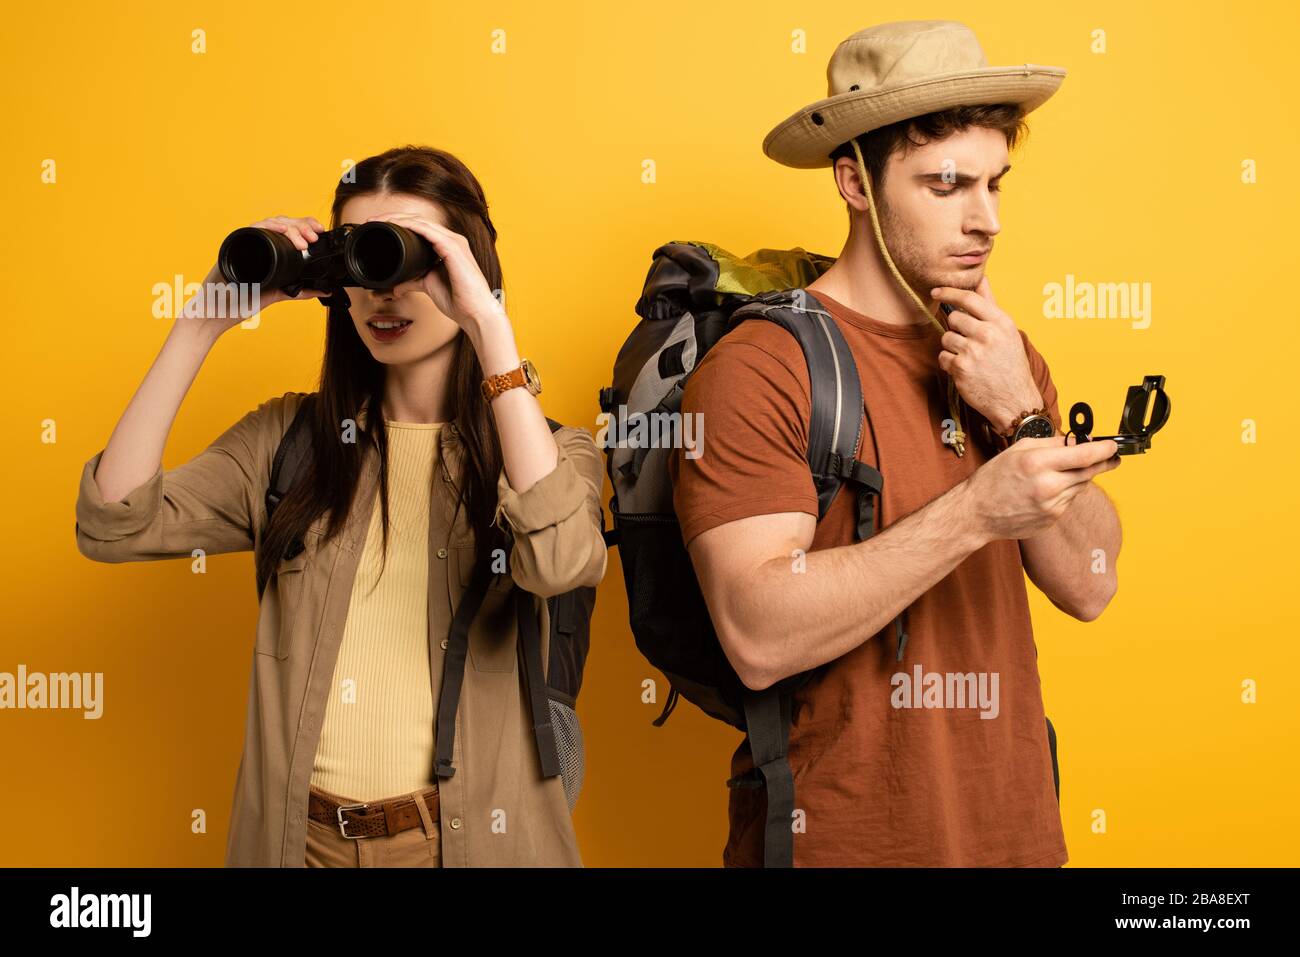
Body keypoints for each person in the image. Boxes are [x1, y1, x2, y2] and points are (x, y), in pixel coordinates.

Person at [74, 145, 608, 867]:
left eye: (404, 255)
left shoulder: (548, 451)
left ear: (465, 267)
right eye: (361, 258)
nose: (382, 293)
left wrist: (491, 329)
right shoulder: (291, 444)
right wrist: (200, 321)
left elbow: (561, 558)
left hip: (471, 845)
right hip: (300, 846)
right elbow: (113, 521)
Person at [670, 20, 1123, 866]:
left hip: (1016, 838)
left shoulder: (1001, 354)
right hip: (841, 844)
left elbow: (1092, 584)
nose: (985, 220)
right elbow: (757, 632)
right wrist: (978, 511)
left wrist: (1023, 415)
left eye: (996, 183)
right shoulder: (764, 366)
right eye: (947, 185)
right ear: (855, 182)